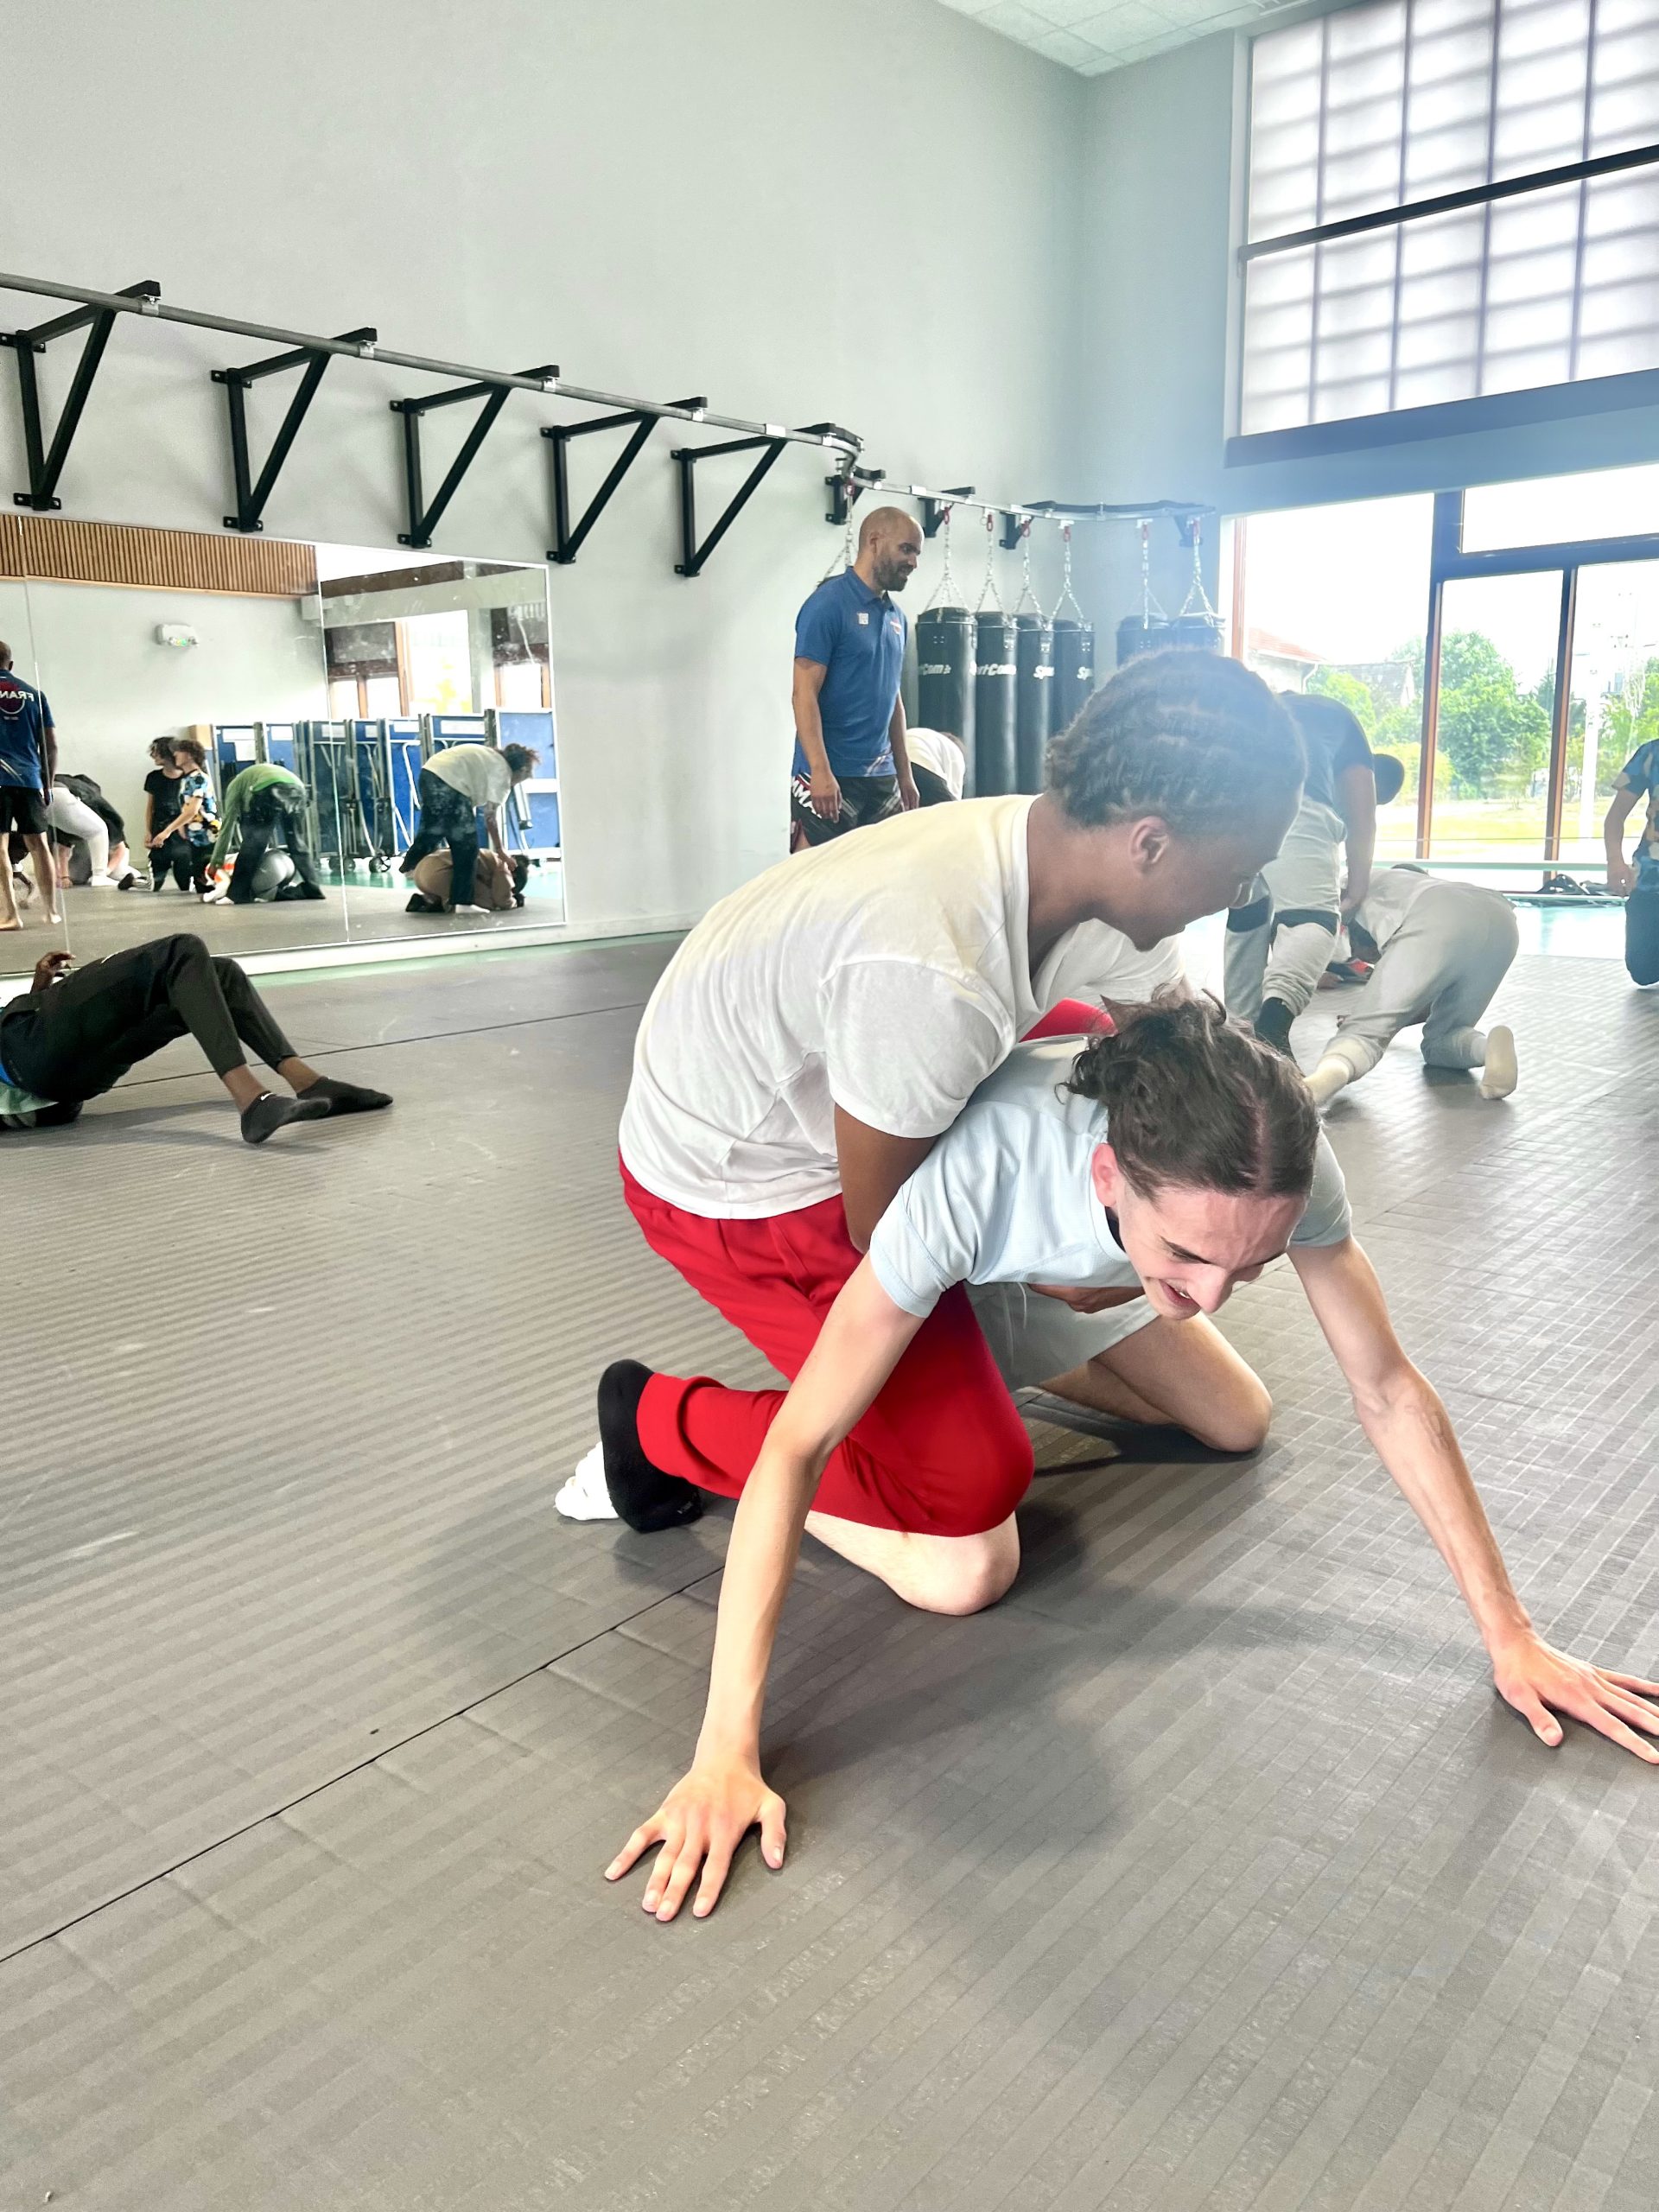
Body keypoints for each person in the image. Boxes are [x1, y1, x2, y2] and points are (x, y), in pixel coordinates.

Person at [594, 995, 1659, 1922]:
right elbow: (802, 1445)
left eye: (1254, 1263)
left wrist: (1511, 1635)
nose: (1213, 1296)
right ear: (1107, 1174)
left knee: (1238, 1416)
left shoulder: (1278, 1161)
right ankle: (655, 1418)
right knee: (965, 1566)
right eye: (1189, 1254)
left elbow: (1386, 1387)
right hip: (801, 1212)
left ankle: (1008, 1348)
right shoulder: (975, 1184)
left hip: (1059, 1249)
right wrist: (722, 1751)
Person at [0, 933, 391, 1143]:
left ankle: (308, 1083)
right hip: (25, 1048)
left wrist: (38, 988)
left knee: (220, 975)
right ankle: (252, 1100)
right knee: (180, 952)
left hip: (59, 1083)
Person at [1224, 690, 1377, 1054]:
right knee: (1315, 919)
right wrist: (1356, 887)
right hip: (1295, 805)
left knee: (1248, 913)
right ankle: (1271, 1029)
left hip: (1227, 808)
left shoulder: (1268, 707)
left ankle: (1239, 1036)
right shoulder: (1340, 718)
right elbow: (1362, 816)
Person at [1305, 863, 1519, 1108]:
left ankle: (1316, 1087)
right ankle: (1488, 1047)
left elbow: (1303, 919)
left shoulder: (1350, 884)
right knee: (1441, 1040)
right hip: (1503, 920)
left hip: (1437, 915)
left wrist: (1373, 1020)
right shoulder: (1406, 886)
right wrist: (1391, 1017)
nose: (1373, 960)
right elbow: (1425, 1006)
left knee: (1363, 1034)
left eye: (1373, 957)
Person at [790, 506, 923, 845]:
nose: (913, 562)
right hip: (831, 774)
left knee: (885, 874)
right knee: (818, 875)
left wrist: (905, 773)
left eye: (917, 553)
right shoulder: (827, 605)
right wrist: (820, 770)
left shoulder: (897, 618)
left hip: (881, 777)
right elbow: (803, 694)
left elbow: (892, 697)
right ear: (874, 542)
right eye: (906, 549)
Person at [398, 741, 538, 916]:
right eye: (520, 780)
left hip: (430, 773)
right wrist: (500, 849)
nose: (514, 784)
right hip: (450, 784)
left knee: (433, 829)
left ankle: (410, 865)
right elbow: (490, 818)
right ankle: (462, 902)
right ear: (521, 771)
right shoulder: (504, 773)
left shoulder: (489, 756)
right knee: (467, 847)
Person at [0, 639, 61, 931]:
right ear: (10, 665)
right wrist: (47, 783)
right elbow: (51, 745)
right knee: (39, 844)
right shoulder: (35, 695)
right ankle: (51, 911)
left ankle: (12, 915)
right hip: (29, 779)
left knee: (0, 847)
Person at [208, 760, 324, 905]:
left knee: (253, 845)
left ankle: (237, 895)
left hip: (268, 789)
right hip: (297, 788)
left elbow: (227, 826)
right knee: (297, 842)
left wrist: (216, 861)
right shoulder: (252, 777)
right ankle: (313, 889)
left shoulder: (234, 787)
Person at [1604, 733, 1659, 984]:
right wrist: (1615, 861)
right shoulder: (1651, 753)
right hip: (1650, 878)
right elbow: (1615, 817)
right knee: (1642, 971)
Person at [144, 736, 213, 894]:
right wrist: (152, 831)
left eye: (179, 752)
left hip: (199, 833)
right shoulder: (185, 779)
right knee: (158, 879)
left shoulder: (196, 778)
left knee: (192, 876)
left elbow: (191, 810)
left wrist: (171, 830)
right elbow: (183, 808)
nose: (175, 754)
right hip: (176, 830)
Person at [49, 772, 140, 888]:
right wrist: (64, 877)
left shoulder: (104, 814)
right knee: (76, 877)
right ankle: (99, 874)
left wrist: (106, 871)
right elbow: (62, 848)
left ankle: (131, 876)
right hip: (86, 844)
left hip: (113, 852)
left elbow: (120, 848)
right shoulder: (68, 813)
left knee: (118, 873)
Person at [404, 847, 527, 913]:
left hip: (421, 872)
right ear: (514, 876)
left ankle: (426, 901)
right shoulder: (504, 865)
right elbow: (502, 899)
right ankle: (440, 905)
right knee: (485, 901)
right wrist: (514, 901)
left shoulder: (487, 856)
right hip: (438, 874)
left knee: (468, 886)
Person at [904, 724, 966, 806]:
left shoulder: (924, 735)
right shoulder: (956, 751)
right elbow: (955, 795)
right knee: (952, 810)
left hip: (898, 765)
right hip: (922, 766)